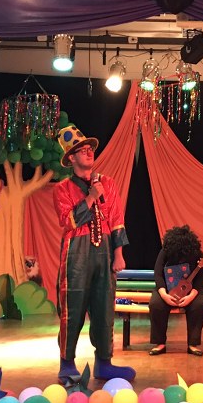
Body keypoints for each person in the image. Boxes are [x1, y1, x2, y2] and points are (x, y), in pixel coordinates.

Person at [53, 124, 135, 383]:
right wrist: (91, 197)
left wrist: (119, 254)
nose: (89, 152)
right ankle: (67, 363)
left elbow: (117, 219)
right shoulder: (62, 188)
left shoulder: (108, 183)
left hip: (106, 251)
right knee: (73, 307)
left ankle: (104, 363)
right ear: (71, 158)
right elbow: (69, 221)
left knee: (104, 307)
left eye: (90, 149)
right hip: (76, 253)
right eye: (82, 150)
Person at [148, 225, 203, 357]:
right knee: (156, 304)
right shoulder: (165, 251)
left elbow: (200, 278)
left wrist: (191, 297)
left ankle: (193, 344)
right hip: (166, 289)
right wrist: (164, 294)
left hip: (193, 290)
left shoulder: (196, 253)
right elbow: (158, 274)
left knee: (199, 305)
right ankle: (160, 343)